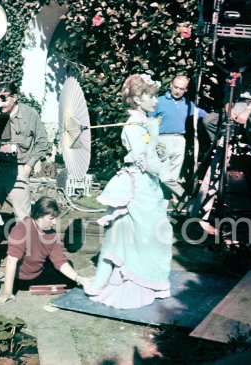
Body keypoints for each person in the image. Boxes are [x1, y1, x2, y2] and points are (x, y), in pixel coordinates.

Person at [83, 74, 173, 309]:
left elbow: (151, 154)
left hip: (147, 185)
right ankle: (132, 279)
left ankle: (148, 279)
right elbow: (147, 161)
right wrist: (153, 140)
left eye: (154, 95)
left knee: (152, 231)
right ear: (136, 99)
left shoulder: (143, 122)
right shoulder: (134, 125)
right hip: (139, 185)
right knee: (143, 232)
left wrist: (154, 140)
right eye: (149, 96)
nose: (155, 101)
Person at [0, 197, 86, 303]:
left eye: (55, 219)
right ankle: (41, 288)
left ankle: (50, 286)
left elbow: (59, 261)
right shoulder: (22, 229)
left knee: (70, 271)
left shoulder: (51, 233)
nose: (54, 223)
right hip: (23, 278)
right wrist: (7, 292)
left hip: (38, 270)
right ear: (39, 216)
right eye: (51, 219)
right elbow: (12, 261)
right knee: (67, 278)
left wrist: (80, 279)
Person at [0, 81, 48, 221]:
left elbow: (42, 142)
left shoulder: (30, 114)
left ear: (15, 97)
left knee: (23, 217)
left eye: (4, 98)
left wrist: (28, 166)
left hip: (18, 170)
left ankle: (24, 242)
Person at [202, 44, 251, 159]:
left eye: (238, 55)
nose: (235, 58)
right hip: (238, 102)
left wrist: (247, 112)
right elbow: (228, 92)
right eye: (233, 55)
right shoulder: (233, 70)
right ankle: (223, 146)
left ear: (247, 55)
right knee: (209, 121)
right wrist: (228, 109)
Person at [150, 75, 208, 204]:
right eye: (175, 87)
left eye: (181, 89)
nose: (177, 91)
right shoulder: (158, 102)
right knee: (165, 178)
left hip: (180, 141)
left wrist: (215, 117)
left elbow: (203, 114)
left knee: (173, 178)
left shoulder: (188, 104)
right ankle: (188, 200)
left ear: (185, 90)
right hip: (163, 141)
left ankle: (162, 211)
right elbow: (148, 121)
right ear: (170, 85)